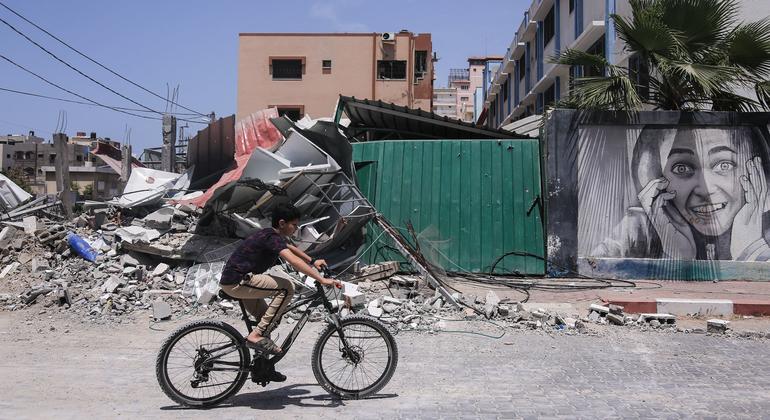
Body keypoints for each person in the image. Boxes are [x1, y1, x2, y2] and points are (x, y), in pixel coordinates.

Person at [592, 125, 770, 261]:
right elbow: (590, 273)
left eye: (724, 165)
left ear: (759, 171)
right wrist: (676, 255)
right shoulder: (640, 229)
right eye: (682, 167)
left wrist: (752, 249)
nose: (704, 190)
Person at [219, 203, 340, 358]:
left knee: (268, 320)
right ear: (282, 223)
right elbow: (293, 260)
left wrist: (312, 260)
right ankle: (255, 336)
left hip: (235, 280)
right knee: (286, 287)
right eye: (294, 225)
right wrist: (321, 279)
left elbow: (290, 247)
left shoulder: (271, 235)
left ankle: (262, 366)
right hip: (238, 281)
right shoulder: (271, 237)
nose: (296, 229)